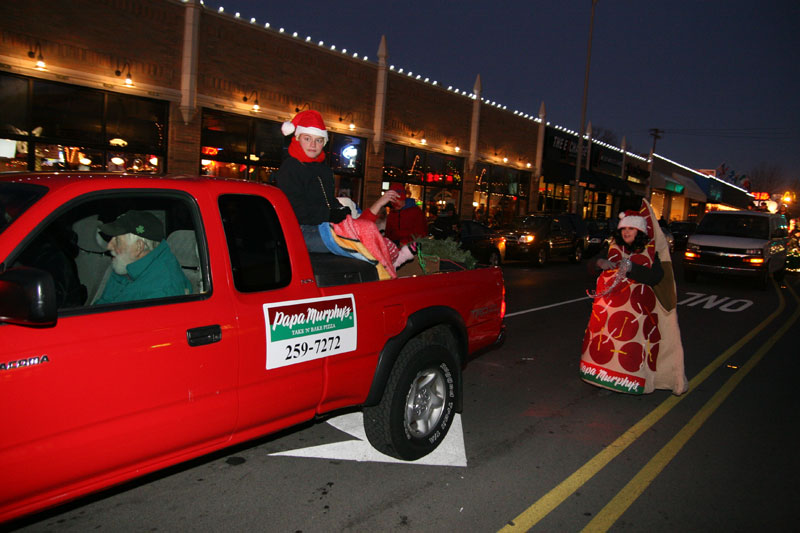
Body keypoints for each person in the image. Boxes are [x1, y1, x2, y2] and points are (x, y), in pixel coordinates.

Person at [273, 110, 416, 276]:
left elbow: (328, 201)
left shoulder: (323, 169)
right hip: (300, 232)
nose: (313, 145)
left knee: (367, 227)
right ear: (297, 138)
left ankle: (393, 259)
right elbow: (295, 211)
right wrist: (330, 215)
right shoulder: (291, 168)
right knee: (361, 234)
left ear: (324, 143)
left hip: (323, 226)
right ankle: (388, 269)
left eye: (318, 140)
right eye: (307, 139)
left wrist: (341, 211)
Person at [579, 201, 688, 395]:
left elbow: (656, 277)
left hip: (636, 313)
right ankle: (604, 380)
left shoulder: (649, 251)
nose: (627, 232)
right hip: (608, 311)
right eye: (624, 229)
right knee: (602, 345)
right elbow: (590, 265)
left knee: (628, 349)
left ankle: (624, 382)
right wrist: (599, 263)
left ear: (640, 231)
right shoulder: (612, 247)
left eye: (631, 228)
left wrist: (632, 268)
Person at [94, 210, 191, 304]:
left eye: (117, 241)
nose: (109, 246)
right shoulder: (126, 265)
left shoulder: (162, 292)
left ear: (139, 247)